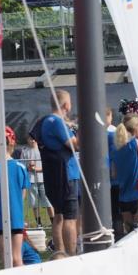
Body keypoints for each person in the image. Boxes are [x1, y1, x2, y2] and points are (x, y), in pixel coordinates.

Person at [34, 89, 80, 256]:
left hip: (53, 176)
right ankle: (71, 255)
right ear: (66, 105)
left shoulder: (45, 121)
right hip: (66, 175)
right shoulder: (57, 122)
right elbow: (76, 145)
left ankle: (59, 254)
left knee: (59, 216)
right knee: (70, 217)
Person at [0, 127, 31, 267]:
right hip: (16, 218)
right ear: (12, 144)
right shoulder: (21, 168)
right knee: (17, 258)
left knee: (6, 259)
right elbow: (22, 196)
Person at [24, 135, 52, 228]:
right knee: (34, 203)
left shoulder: (42, 150)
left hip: (43, 179)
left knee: (48, 202)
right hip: (31, 180)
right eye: (30, 138)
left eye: (34, 138)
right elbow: (22, 165)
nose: (32, 140)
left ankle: (53, 222)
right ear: (27, 140)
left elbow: (48, 165)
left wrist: (38, 169)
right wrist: (28, 168)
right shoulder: (25, 151)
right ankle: (39, 224)